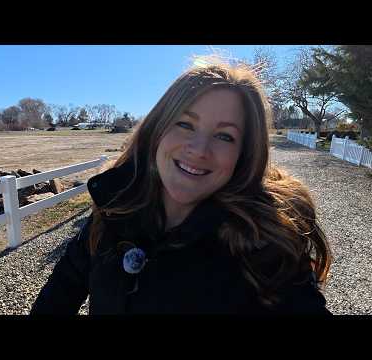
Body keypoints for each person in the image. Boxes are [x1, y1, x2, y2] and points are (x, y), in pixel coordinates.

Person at [30, 56, 332, 315]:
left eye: (225, 136)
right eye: (185, 124)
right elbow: (58, 295)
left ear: (244, 155)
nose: (199, 149)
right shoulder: (114, 209)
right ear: (157, 130)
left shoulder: (265, 243)